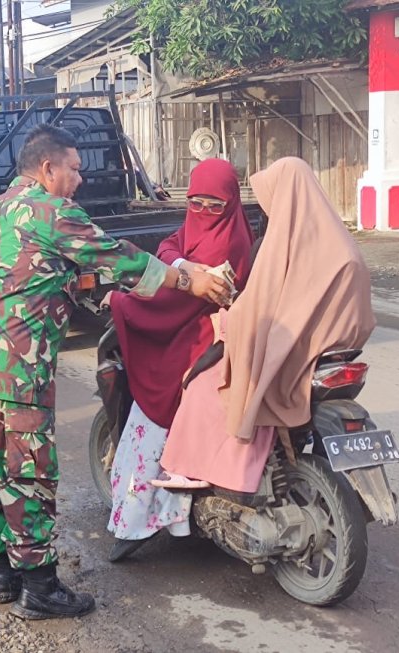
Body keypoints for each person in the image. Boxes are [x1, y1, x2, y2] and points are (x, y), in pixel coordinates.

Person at [0, 124, 230, 620]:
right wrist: (190, 280)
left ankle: (2, 573)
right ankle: (39, 587)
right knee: (27, 473)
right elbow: (118, 257)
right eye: (75, 170)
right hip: (17, 369)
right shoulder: (50, 211)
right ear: (48, 169)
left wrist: (71, 294)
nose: (80, 180)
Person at [157, 157, 376, 491]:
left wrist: (226, 320)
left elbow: (260, 312)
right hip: (338, 351)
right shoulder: (343, 246)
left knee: (203, 385)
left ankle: (200, 470)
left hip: (295, 354)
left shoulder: (281, 248)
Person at [104, 158, 254, 562]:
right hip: (200, 326)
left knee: (150, 418)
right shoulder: (215, 228)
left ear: (231, 203)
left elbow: (171, 299)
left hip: (197, 334)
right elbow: (171, 243)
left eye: (213, 206)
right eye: (196, 203)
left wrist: (121, 301)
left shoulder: (225, 243)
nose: (203, 213)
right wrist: (185, 264)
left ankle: (136, 523)